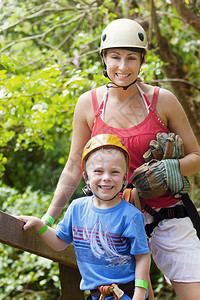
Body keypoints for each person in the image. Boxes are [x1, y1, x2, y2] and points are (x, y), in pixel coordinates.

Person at [42, 18, 200, 299]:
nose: (123, 67)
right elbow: (72, 167)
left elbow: (196, 157)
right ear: (104, 58)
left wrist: (168, 168)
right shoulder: (88, 104)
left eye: (131, 58)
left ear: (141, 61)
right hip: (113, 221)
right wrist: (48, 218)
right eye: (115, 57)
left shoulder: (162, 100)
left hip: (167, 213)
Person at [18, 134, 151, 300]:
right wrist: (39, 225)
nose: (106, 177)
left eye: (115, 172)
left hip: (127, 294)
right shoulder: (77, 209)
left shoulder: (131, 216)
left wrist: (139, 293)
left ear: (125, 178)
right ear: (86, 177)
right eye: (98, 171)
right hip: (96, 295)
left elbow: (142, 256)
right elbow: (59, 243)